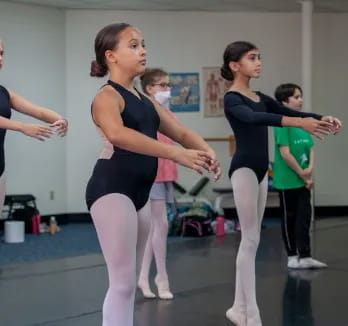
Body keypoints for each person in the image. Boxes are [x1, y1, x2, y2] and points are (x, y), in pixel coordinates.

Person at [85, 23, 220, 326]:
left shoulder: (144, 101)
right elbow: (118, 135)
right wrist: (177, 154)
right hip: (111, 190)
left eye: (143, 44)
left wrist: (206, 151)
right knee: (120, 283)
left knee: (129, 282)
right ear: (111, 56)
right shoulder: (107, 96)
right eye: (133, 45)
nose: (143, 50)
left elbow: (181, 131)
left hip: (139, 193)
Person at [221, 40, 341, 326]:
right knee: (248, 241)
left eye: (259, 57)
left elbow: (294, 114)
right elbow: (254, 118)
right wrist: (298, 124)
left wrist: (319, 118)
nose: (259, 62)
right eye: (252, 58)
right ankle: (248, 311)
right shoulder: (232, 98)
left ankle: (240, 307)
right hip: (245, 170)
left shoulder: (259, 95)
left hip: (262, 171)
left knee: (253, 240)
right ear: (234, 65)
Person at [0, 34, 68, 326]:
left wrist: (58, 117)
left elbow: (36, 110)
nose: (0, 57)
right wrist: (21, 127)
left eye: (2, 52)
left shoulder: (5, 92)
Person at [272, 83, 328, 268]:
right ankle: (292, 256)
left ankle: (305, 255)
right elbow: (285, 153)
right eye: (296, 97)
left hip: (304, 181)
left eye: (300, 96)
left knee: (304, 218)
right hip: (288, 181)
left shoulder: (302, 122)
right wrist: (303, 174)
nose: (300, 100)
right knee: (290, 217)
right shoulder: (281, 123)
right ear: (284, 101)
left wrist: (309, 173)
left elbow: (310, 148)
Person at [137, 68, 178, 300]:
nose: (167, 90)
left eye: (168, 85)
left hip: (166, 174)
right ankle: (161, 277)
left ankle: (144, 276)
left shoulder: (167, 113)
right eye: (163, 85)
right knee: (159, 227)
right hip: (152, 174)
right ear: (149, 88)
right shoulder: (144, 112)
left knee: (157, 228)